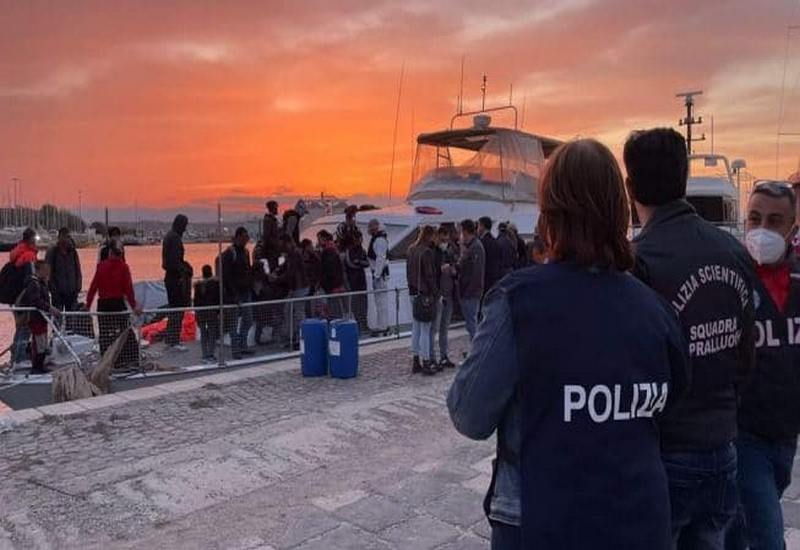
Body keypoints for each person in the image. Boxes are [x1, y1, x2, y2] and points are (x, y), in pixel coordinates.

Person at [448, 138, 689, 550]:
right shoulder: (656, 310)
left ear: (550, 212)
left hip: (540, 519)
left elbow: (469, 414)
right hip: (638, 517)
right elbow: (673, 408)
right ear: (620, 209)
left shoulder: (518, 302)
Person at [625, 128, 756, 549]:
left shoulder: (639, 262)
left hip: (666, 452)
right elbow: (746, 355)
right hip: (723, 447)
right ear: (682, 178)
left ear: (630, 188)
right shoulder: (734, 252)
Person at [725, 181, 800, 550]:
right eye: (755, 219)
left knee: (739, 532)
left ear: (792, 228)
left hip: (786, 436)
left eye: (774, 221)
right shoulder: (731, 280)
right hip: (744, 435)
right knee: (768, 537)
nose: (762, 229)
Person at [86, 242, 140, 366]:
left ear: (110, 253)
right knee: (125, 331)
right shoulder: (124, 267)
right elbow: (128, 290)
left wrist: (88, 305)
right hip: (117, 303)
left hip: (103, 304)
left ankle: (106, 361)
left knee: (105, 334)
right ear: (121, 254)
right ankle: (131, 358)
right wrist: (133, 306)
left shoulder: (101, 266)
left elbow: (93, 287)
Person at [406, 225, 438, 375]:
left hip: (413, 292)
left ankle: (415, 361)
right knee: (425, 328)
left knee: (416, 327)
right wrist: (435, 293)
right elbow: (429, 276)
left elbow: (408, 273)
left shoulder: (411, 249)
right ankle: (426, 361)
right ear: (429, 236)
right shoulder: (426, 252)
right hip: (424, 294)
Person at [19, 261, 60, 374]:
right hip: (36, 318)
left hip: (42, 318)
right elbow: (35, 300)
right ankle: (36, 367)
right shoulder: (34, 284)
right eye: (45, 270)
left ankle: (40, 365)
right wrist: (49, 308)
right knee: (39, 342)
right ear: (38, 270)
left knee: (42, 342)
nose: (47, 273)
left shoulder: (41, 283)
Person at [219, 227, 254, 360]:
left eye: (247, 238)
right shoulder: (230, 253)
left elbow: (248, 270)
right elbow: (226, 276)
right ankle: (236, 350)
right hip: (234, 294)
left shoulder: (245, 252)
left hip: (245, 291)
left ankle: (243, 344)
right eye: (244, 237)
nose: (246, 240)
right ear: (238, 237)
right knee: (233, 323)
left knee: (248, 319)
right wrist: (233, 295)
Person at [270, 235, 309, 349]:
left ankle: (300, 338)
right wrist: (277, 272)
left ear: (287, 243)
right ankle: (292, 337)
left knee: (298, 313)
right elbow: (285, 268)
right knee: (288, 311)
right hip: (296, 287)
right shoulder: (291, 254)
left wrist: (276, 278)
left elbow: (290, 273)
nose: (281, 247)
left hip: (299, 287)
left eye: (282, 244)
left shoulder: (295, 254)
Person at [162, 214, 192, 352]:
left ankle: (171, 339)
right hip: (175, 279)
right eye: (184, 226)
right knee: (177, 310)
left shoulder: (169, 236)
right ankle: (173, 340)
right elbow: (174, 262)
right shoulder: (174, 238)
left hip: (171, 278)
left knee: (174, 309)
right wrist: (185, 269)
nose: (185, 229)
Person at [9, 228, 38, 367]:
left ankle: (15, 356)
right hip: (24, 297)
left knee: (20, 327)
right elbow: (31, 279)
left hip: (16, 297)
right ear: (31, 239)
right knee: (26, 327)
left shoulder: (18, 252)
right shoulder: (29, 255)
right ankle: (20, 359)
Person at [433, 225, 458, 368]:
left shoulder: (450, 251)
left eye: (446, 240)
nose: (445, 242)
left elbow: (456, 269)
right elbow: (430, 274)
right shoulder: (433, 252)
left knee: (445, 328)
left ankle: (443, 356)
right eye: (443, 239)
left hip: (449, 294)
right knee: (434, 329)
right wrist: (440, 269)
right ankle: (432, 357)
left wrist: (454, 270)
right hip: (438, 295)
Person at [456, 219, 485, 340]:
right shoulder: (471, 246)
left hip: (471, 292)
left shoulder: (476, 247)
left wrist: (468, 291)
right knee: (470, 324)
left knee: (472, 323)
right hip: (467, 291)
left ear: (465, 231)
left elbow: (477, 272)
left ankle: (477, 348)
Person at [45, 227, 82, 315]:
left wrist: (78, 286)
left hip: (72, 292)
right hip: (57, 293)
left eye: (68, 236)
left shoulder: (73, 252)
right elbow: (47, 272)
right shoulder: (52, 252)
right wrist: (52, 288)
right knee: (57, 318)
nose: (66, 239)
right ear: (59, 237)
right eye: (64, 236)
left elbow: (78, 270)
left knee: (72, 318)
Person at [193, 265, 220, 364]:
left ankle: (204, 354)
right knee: (212, 333)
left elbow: (195, 301)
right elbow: (217, 298)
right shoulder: (215, 284)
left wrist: (196, 313)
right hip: (212, 311)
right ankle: (211, 354)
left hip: (201, 312)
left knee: (203, 333)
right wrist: (218, 311)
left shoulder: (198, 286)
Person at [367, 219, 390, 337]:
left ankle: (383, 327)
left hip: (379, 276)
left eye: (371, 227)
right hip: (378, 274)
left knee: (381, 302)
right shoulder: (378, 238)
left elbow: (380, 258)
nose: (369, 229)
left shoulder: (379, 240)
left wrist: (376, 276)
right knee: (379, 302)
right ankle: (382, 325)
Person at [317, 230, 346, 319]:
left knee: (334, 310)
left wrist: (324, 283)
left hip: (332, 286)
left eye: (319, 239)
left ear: (324, 238)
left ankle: (336, 325)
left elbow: (329, 270)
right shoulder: (333, 250)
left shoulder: (328, 252)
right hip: (336, 284)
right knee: (336, 308)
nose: (318, 241)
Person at [344, 234, 370, 331]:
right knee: (355, 303)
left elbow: (367, 263)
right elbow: (350, 263)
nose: (359, 241)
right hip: (353, 281)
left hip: (361, 280)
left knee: (364, 303)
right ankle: (357, 324)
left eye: (360, 239)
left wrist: (359, 262)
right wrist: (360, 263)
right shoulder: (349, 250)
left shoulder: (362, 250)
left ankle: (364, 324)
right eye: (357, 239)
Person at [478, 216, 502, 294]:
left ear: (482, 226)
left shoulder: (482, 243)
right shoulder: (495, 242)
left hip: (484, 278)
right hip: (495, 276)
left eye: (478, 225)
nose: (477, 229)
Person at [261, 200, 281, 272]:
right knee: (273, 269)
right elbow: (267, 235)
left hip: (274, 250)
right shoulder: (268, 219)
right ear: (272, 208)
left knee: (275, 268)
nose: (277, 209)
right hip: (271, 250)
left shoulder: (273, 219)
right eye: (276, 207)